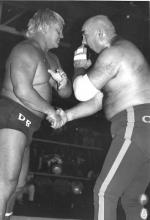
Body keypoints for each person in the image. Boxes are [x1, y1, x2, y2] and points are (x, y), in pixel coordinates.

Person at [55, 15, 150, 220]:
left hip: (135, 124)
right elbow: (97, 101)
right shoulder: (121, 53)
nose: (83, 42)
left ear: (100, 33)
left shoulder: (114, 53)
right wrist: (67, 116)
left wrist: (79, 67)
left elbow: (81, 92)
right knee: (131, 199)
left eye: (85, 35)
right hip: (143, 127)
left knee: (104, 192)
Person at [0, 8, 72, 220]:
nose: (62, 35)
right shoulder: (25, 50)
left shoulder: (52, 59)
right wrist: (51, 112)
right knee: (6, 181)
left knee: (19, 184)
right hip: (13, 116)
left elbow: (66, 93)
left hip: (29, 123)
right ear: (46, 26)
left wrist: (64, 82)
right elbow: (22, 90)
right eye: (59, 30)